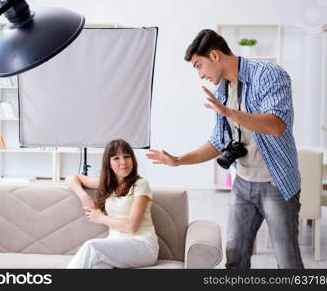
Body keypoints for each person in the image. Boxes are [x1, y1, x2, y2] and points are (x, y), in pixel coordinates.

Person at [146, 29, 304, 269]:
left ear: (215, 56)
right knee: (235, 259)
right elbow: (218, 142)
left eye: (199, 65)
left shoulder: (269, 75)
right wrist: (178, 160)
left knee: (287, 262)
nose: (200, 75)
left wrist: (230, 112)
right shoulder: (222, 89)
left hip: (276, 184)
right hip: (242, 183)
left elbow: (276, 126)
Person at [66, 139, 159, 269]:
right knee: (96, 267)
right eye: (116, 158)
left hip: (143, 246)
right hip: (116, 245)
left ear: (133, 159)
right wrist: (84, 196)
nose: (123, 162)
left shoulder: (141, 185)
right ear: (108, 163)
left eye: (127, 156)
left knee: (91, 246)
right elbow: (71, 178)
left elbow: (131, 227)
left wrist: (101, 218)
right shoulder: (107, 185)